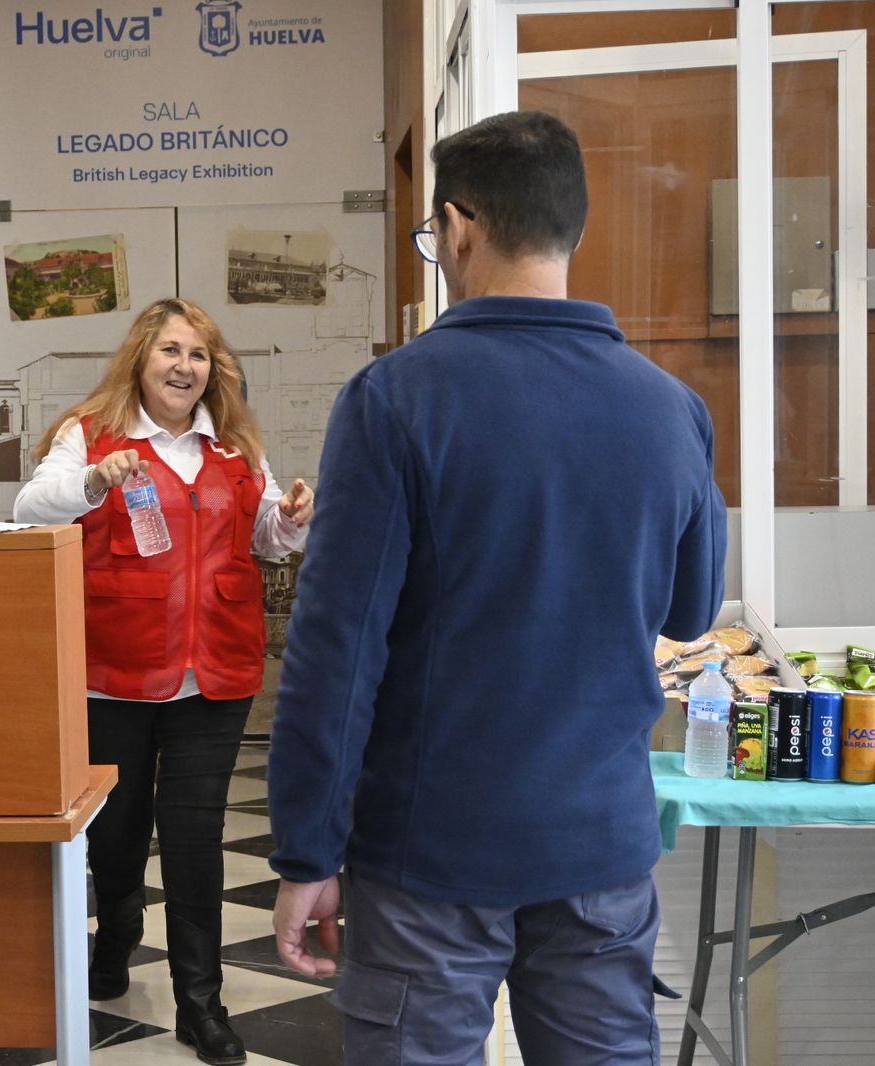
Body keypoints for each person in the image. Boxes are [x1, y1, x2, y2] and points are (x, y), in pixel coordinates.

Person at [268, 110, 727, 1064]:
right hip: (600, 848)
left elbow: (337, 652)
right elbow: (688, 610)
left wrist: (308, 851)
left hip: (431, 855)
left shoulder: (396, 400)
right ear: (575, 229)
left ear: (457, 226)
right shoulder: (672, 411)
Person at [14, 297, 313, 1065]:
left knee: (193, 839)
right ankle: (116, 935)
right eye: (172, 352)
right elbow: (26, 510)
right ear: (141, 360)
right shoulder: (91, 435)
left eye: (200, 356)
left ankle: (200, 1002)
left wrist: (291, 517)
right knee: (114, 835)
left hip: (214, 677)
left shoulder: (235, 448)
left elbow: (265, 537)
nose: (186, 367)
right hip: (114, 674)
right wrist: (93, 481)